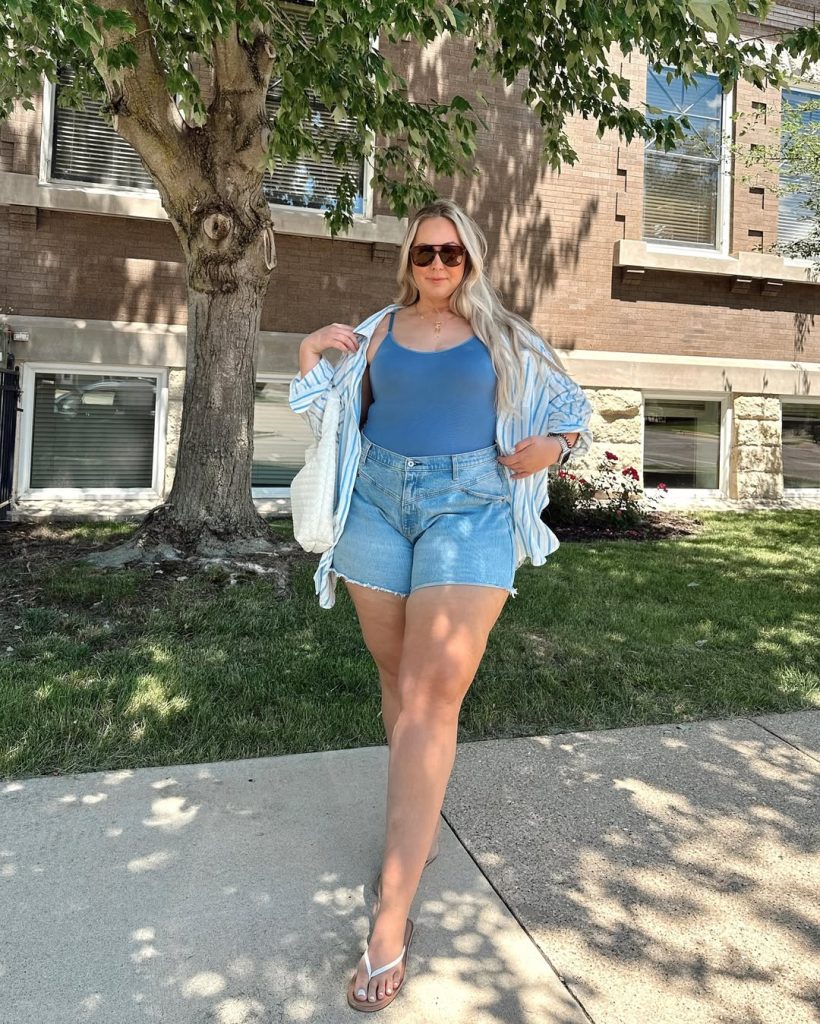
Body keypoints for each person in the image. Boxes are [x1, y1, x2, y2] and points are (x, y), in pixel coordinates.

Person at [288, 198, 593, 1011]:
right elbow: (325, 414)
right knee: (397, 682)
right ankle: (411, 831)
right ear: (407, 260)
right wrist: (308, 352)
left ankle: (390, 922)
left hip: (471, 506)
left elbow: (573, 407)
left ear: (471, 260)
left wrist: (555, 445)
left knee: (430, 696)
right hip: (376, 505)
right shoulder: (378, 330)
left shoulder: (504, 335)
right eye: (424, 252)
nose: (436, 265)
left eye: (451, 253)